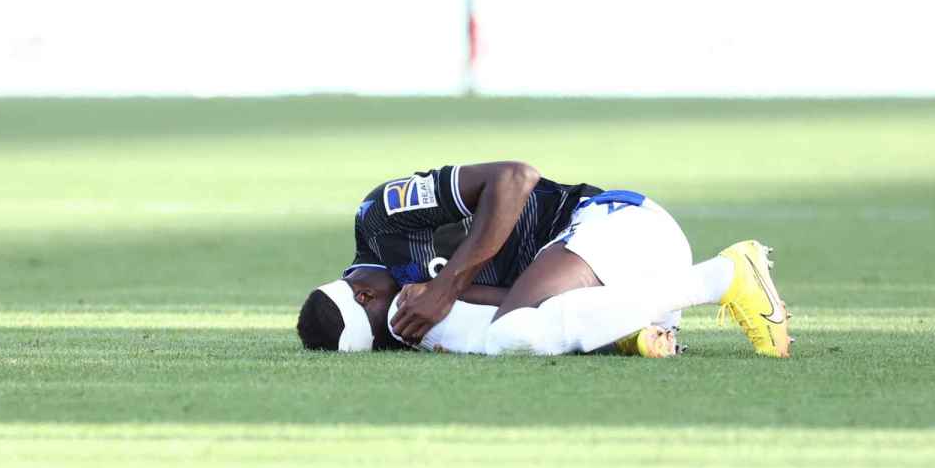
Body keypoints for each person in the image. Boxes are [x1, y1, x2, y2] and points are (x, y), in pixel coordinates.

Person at [296, 162, 792, 357]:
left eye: (385, 327)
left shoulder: (381, 215)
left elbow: (515, 177)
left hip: (621, 227)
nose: (400, 333)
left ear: (364, 293)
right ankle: (626, 334)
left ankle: (724, 274)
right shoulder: (412, 305)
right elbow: (514, 302)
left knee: (512, 332)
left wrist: (446, 289)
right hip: (623, 284)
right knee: (518, 332)